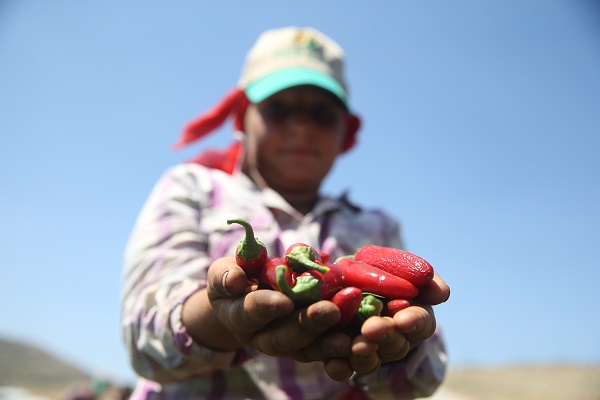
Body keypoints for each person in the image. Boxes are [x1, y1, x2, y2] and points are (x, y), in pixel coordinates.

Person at [121, 26, 450, 399]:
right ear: (242, 119)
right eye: (278, 108)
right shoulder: (191, 189)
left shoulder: (378, 226)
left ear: (345, 133)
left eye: (322, 114)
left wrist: (396, 351)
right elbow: (141, 337)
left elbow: (425, 374)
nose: (301, 127)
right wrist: (223, 316)